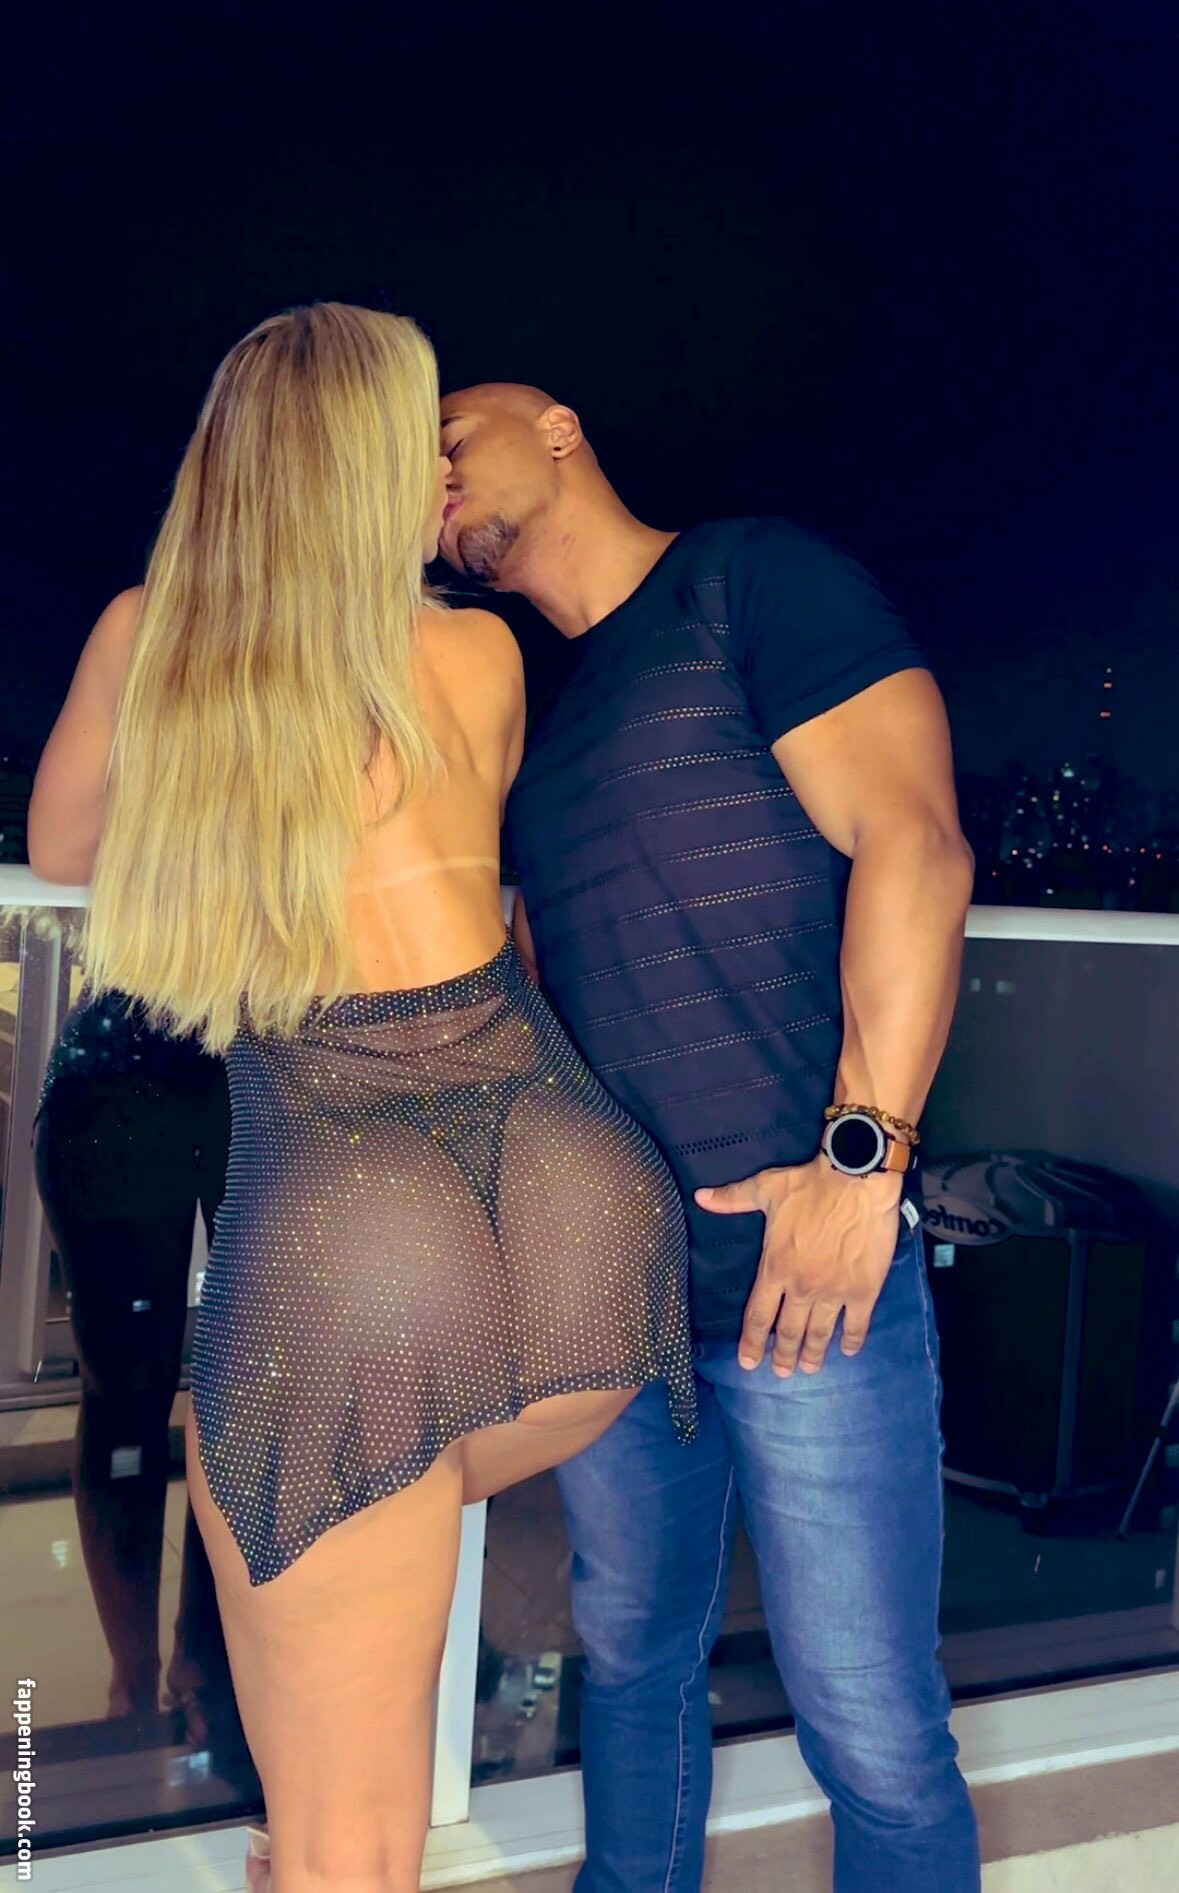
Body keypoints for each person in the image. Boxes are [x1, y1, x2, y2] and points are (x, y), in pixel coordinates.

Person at [27, 306, 695, 1893]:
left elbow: (63, 848)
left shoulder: (158, 637)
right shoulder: (481, 651)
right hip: (571, 1171)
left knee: (341, 1835)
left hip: (358, 1207)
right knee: (403, 1540)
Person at [437, 381, 981, 1893]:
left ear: (555, 425)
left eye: (447, 439)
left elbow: (915, 846)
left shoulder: (747, 580)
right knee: (630, 1668)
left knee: (870, 1724)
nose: (430, 483)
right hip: (618, 1296)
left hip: (810, 1278)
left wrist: (860, 1171)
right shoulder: (539, 723)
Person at [34, 997, 244, 1763]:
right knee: (125, 1393)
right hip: (119, 1068)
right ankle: (135, 1674)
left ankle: (200, 1662)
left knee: (243, 1388)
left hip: (259, 1067)